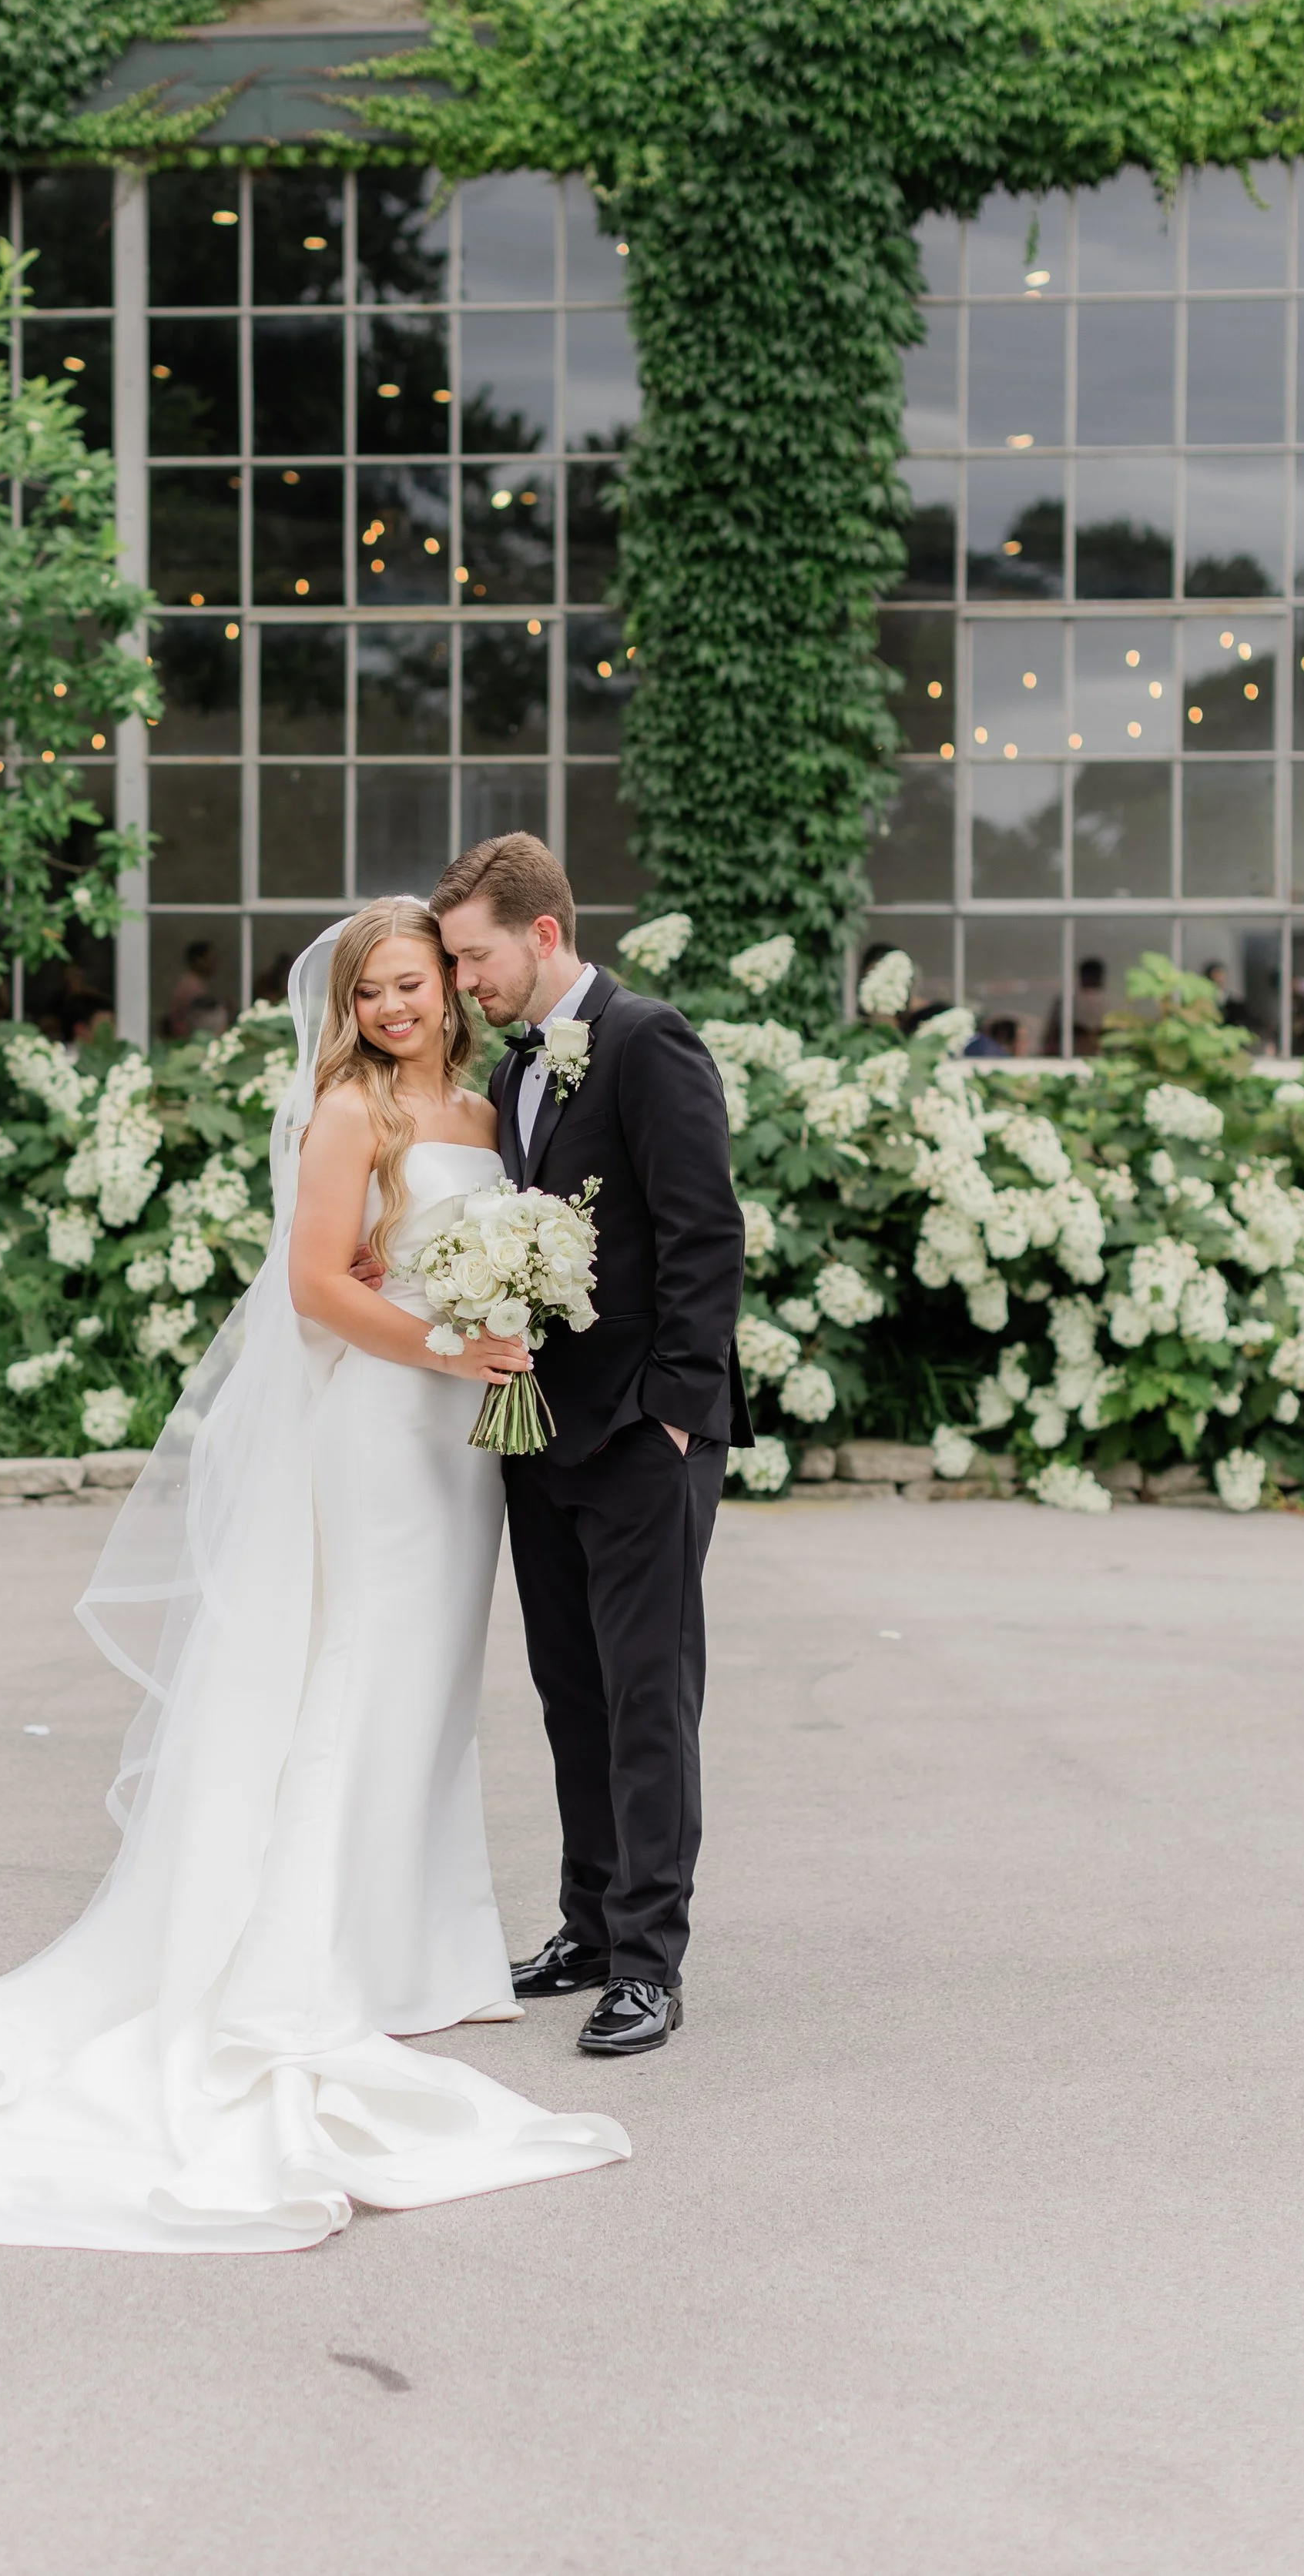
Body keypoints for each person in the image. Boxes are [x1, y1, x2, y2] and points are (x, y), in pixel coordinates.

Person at [0, 898, 628, 2253]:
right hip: (382, 1432)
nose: (393, 1008)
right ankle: (325, 1952)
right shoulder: (347, 1115)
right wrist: (438, 1348)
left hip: (462, 1446)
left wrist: (503, 1315)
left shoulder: (493, 1111)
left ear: (453, 985)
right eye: (371, 990)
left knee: (427, 1686)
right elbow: (316, 1287)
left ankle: (418, 1942)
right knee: (357, 1675)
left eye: (414, 982)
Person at [432, 834, 749, 2058]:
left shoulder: (647, 1038)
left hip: (639, 1436)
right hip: (539, 1433)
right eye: (455, 961)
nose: (465, 983)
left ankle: (651, 1963)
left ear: (544, 933)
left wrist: (673, 1412)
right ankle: (589, 1923)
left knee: (648, 1695)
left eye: (476, 957)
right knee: (570, 1690)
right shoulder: (519, 1061)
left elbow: (702, 1232)